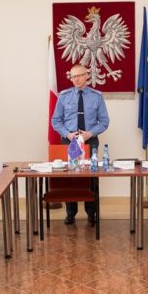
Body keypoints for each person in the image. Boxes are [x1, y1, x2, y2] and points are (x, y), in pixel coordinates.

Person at [51, 64, 110, 225]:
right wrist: (68, 134)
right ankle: (71, 213)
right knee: (70, 178)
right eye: (73, 76)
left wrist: (90, 133)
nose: (75, 79)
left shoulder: (97, 96)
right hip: (70, 141)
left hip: (90, 141)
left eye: (78, 75)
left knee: (91, 177)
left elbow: (104, 121)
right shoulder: (64, 96)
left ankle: (92, 214)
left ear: (87, 75)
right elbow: (56, 121)